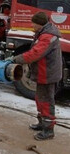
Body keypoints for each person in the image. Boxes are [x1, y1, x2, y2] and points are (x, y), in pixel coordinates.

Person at [12, 12, 62, 141]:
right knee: (40, 98)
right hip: (43, 72)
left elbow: (35, 53)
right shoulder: (43, 33)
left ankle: (48, 130)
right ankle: (42, 123)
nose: (32, 25)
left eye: (33, 23)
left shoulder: (48, 36)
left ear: (39, 24)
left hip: (48, 74)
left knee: (45, 101)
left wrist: (17, 59)